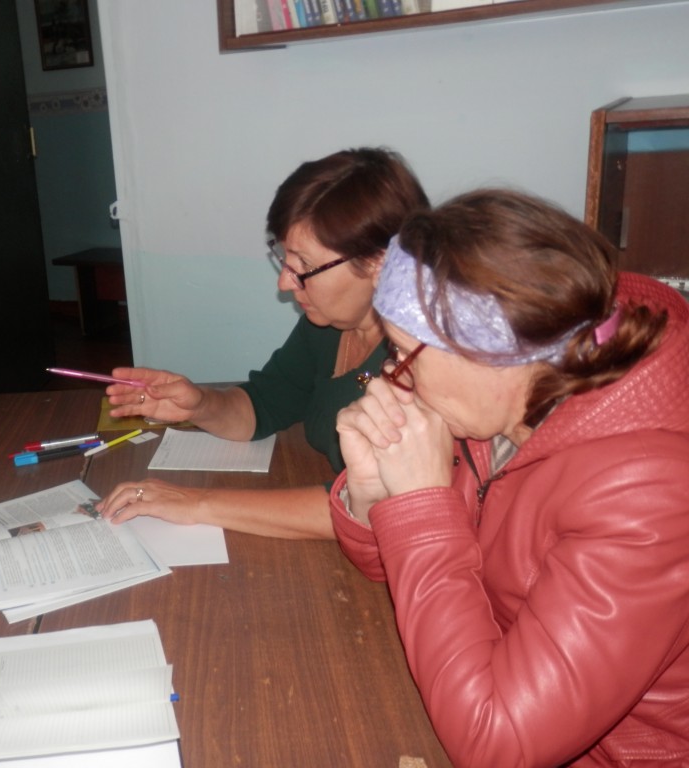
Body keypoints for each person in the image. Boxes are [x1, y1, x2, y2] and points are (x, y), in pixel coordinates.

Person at [331, 189, 689, 766]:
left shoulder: (650, 494)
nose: (394, 377)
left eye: (402, 353)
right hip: (487, 675)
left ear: (490, 351)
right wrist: (373, 494)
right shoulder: (503, 410)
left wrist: (423, 505)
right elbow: (393, 571)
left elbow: (497, 743)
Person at [96, 148, 429, 537]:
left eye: (304, 266)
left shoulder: (424, 363)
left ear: (378, 263)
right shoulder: (329, 325)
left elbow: (372, 509)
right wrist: (200, 404)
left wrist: (196, 502)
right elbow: (264, 404)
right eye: (284, 259)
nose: (285, 282)